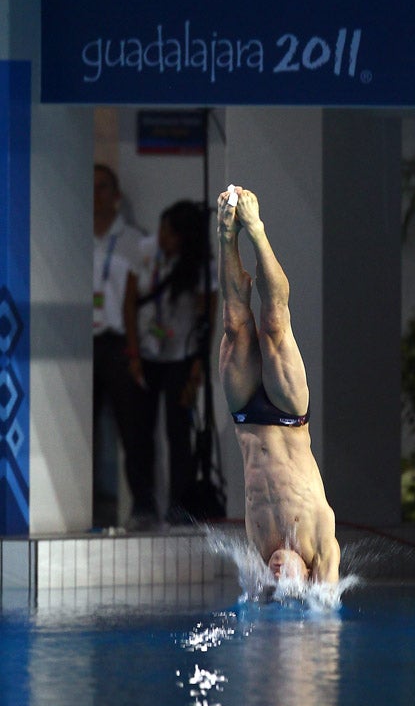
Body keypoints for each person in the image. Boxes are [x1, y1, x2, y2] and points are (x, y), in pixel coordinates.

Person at [217, 186, 340, 584]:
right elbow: (327, 603)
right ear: (308, 575)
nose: (275, 572)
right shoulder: (321, 545)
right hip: (288, 415)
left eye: (275, 580)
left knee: (235, 325)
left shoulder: (259, 553)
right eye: (287, 577)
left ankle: (226, 236)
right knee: (274, 324)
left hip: (246, 416)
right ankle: (256, 229)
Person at [124, 200, 217, 529]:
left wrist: (197, 366)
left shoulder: (201, 265)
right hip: (147, 352)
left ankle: (180, 503)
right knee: (139, 432)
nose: (162, 237)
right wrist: (133, 353)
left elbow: (207, 314)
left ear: (184, 237)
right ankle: (143, 504)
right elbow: (130, 302)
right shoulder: (146, 251)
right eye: (161, 228)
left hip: (180, 354)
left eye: (170, 232)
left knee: (178, 432)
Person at [93, 163, 145, 529]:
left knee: (132, 428)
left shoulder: (132, 239)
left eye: (102, 187)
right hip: (81, 344)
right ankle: (86, 502)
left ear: (115, 195)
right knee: (83, 429)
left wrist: (134, 350)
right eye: (91, 187)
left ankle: (142, 505)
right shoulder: (72, 231)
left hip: (117, 343)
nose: (95, 195)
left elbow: (133, 299)